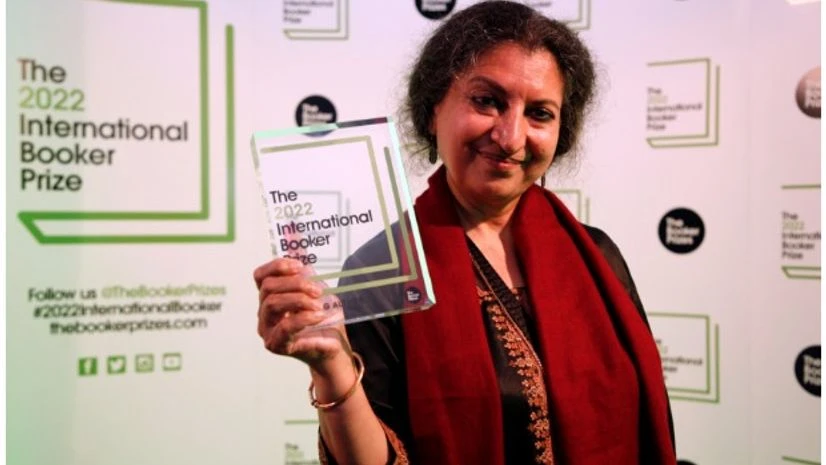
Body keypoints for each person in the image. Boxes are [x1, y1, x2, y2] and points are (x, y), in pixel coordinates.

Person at [254, 2, 676, 464]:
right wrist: (331, 366)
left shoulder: (597, 255)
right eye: (487, 101)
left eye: (539, 113)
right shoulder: (385, 270)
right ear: (434, 108)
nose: (511, 135)